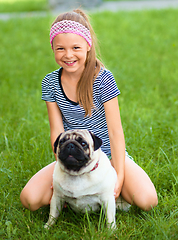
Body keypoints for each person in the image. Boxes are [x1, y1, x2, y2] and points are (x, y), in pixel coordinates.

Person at [20, 9, 158, 211]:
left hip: (108, 155)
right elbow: (56, 133)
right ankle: (79, 195)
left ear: (87, 46)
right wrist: (62, 172)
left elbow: (115, 132)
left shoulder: (103, 79)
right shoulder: (50, 83)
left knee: (147, 201)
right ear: (52, 48)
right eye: (60, 49)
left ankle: (98, 194)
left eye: (76, 47)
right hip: (72, 157)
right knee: (30, 199)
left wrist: (117, 176)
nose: (68, 55)